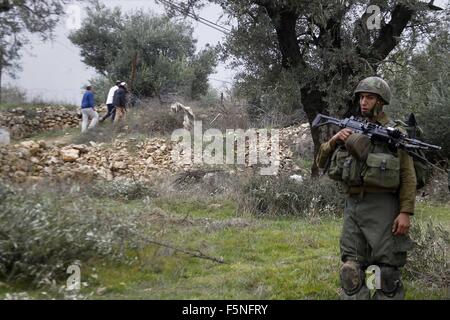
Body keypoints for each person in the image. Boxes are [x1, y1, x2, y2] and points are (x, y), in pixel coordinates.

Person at [316, 76, 416, 300]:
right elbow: (320, 162)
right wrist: (334, 140)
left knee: (385, 274)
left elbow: (408, 175)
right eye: (361, 97)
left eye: (369, 98)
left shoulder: (395, 134)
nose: (363, 102)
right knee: (350, 271)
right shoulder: (349, 129)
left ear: (381, 102)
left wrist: (405, 211)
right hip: (353, 206)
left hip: (383, 207)